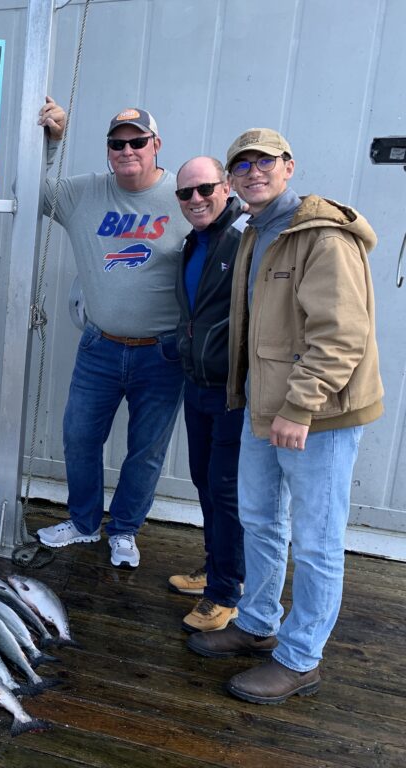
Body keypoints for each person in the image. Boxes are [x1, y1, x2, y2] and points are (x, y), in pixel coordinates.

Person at [187, 129, 383, 705]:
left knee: (317, 539)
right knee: (260, 519)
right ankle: (256, 623)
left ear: (288, 166)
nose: (253, 171)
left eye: (264, 162)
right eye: (241, 164)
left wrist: (301, 406)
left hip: (315, 415)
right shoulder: (256, 229)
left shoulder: (321, 236)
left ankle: (300, 658)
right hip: (262, 408)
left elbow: (341, 333)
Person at [34, 99, 186, 569]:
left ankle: (124, 530)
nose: (127, 150)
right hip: (99, 347)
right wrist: (52, 142)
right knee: (79, 437)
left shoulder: (185, 197)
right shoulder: (85, 193)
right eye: (117, 143)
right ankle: (83, 523)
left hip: (162, 353)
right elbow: (32, 190)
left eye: (137, 141)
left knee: (146, 451)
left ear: (156, 145)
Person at [169, 156, 246, 632]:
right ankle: (215, 567)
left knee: (226, 490)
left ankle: (225, 593)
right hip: (195, 384)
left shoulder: (243, 239)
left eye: (205, 189)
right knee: (204, 481)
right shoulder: (192, 243)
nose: (196, 200)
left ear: (226, 187)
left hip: (231, 390)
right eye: (186, 193)